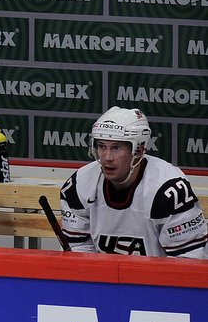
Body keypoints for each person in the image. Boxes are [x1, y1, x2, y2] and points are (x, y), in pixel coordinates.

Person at [59, 107, 206, 258]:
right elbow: (79, 250)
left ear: (139, 150)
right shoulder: (78, 185)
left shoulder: (169, 189)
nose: (107, 157)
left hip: (159, 279)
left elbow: (189, 260)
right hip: (104, 278)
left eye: (116, 148)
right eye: (102, 146)